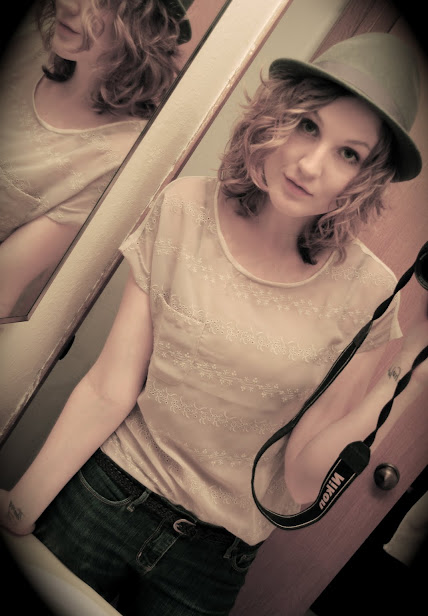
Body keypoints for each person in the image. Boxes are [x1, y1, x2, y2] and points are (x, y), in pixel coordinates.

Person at [1, 31, 427, 615]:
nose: (310, 164)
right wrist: (21, 508)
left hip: (213, 561)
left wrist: (407, 374)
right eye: (308, 126)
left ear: (366, 178)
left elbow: (304, 481)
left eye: (348, 154)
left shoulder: (370, 293)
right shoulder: (184, 208)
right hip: (102, 498)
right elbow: (110, 385)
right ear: (277, 116)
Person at [0, 0, 204, 318]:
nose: (67, 0)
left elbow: (4, 282)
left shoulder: (118, 158)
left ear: (142, 22)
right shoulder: (31, 44)